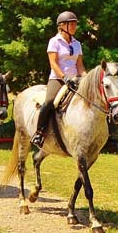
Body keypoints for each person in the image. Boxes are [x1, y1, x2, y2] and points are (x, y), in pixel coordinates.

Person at [30, 11, 86, 148]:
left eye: (75, 24)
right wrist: (64, 77)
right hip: (58, 79)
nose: (74, 26)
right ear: (62, 26)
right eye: (71, 24)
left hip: (75, 80)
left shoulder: (77, 44)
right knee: (49, 102)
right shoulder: (54, 42)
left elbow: (80, 65)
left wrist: (86, 78)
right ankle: (39, 132)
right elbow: (53, 63)